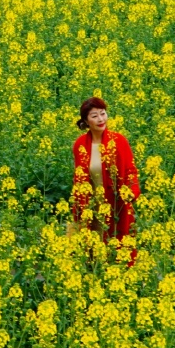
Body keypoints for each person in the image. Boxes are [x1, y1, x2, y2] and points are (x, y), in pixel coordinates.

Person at [70, 97, 140, 258]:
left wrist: (132, 192)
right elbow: (78, 178)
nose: (101, 119)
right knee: (92, 251)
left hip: (116, 204)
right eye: (94, 116)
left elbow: (131, 171)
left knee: (119, 246)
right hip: (92, 207)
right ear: (86, 121)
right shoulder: (80, 144)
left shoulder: (119, 141)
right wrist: (78, 207)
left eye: (103, 114)